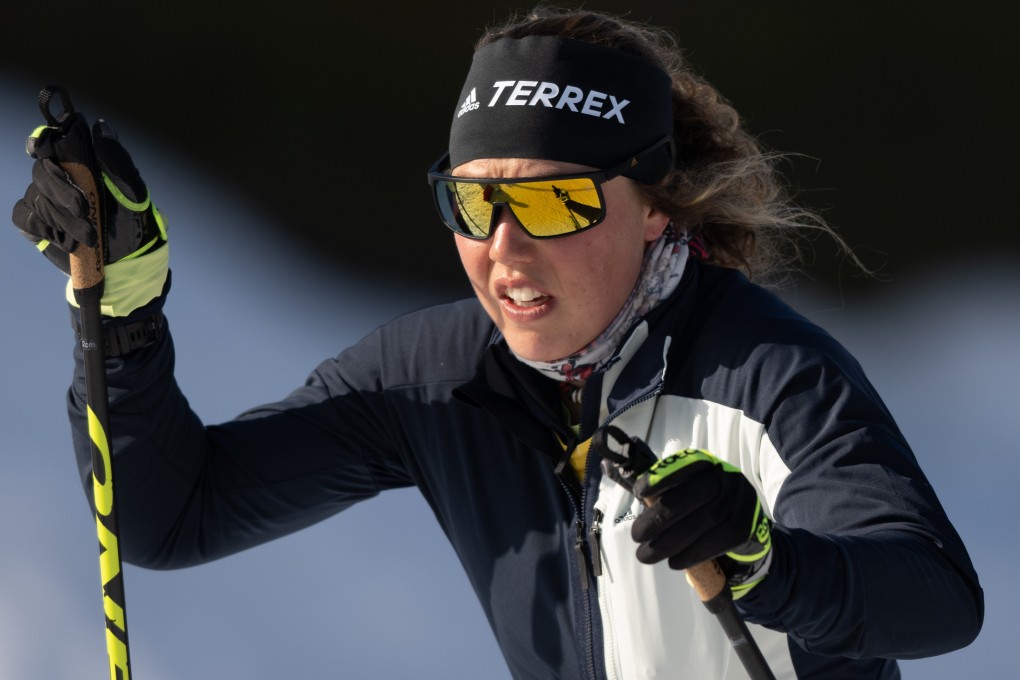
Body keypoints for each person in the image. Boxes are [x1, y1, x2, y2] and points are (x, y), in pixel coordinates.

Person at [11, 5, 983, 679]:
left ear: (654, 208)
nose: (503, 246)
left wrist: (772, 560)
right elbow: (171, 514)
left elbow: (937, 594)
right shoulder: (439, 376)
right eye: (473, 200)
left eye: (554, 200)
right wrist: (127, 319)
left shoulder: (767, 372)